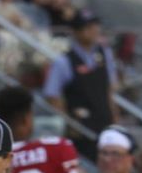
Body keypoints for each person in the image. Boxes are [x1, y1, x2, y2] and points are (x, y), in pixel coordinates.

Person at [41, 9, 120, 159]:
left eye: (95, 26)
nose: (94, 30)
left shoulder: (104, 54)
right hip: (81, 130)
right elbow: (52, 95)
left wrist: (115, 120)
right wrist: (69, 121)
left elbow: (110, 89)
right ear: (76, 32)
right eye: (88, 27)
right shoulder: (64, 61)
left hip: (104, 123)